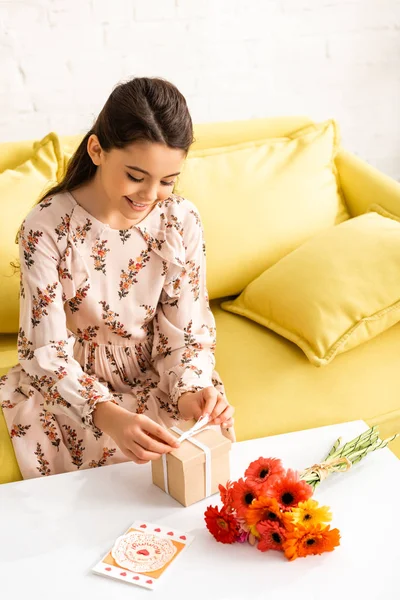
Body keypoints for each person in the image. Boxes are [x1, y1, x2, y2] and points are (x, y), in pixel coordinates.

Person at [0, 77, 234, 479]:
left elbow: (187, 335)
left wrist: (192, 392)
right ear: (97, 150)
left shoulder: (180, 220)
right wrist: (107, 416)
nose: (150, 195)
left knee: (199, 477)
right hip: (69, 387)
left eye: (167, 180)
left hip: (158, 375)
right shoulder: (47, 226)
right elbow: (47, 354)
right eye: (136, 175)